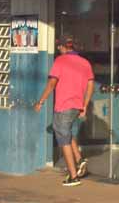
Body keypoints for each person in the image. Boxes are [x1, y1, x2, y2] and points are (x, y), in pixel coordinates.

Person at [34, 36, 94, 187]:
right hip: (76, 106)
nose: (58, 50)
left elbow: (52, 83)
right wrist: (85, 106)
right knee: (66, 131)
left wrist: (40, 101)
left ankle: (73, 176)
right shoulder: (85, 62)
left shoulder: (60, 61)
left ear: (63, 47)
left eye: (59, 48)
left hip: (64, 105)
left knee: (63, 139)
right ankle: (79, 160)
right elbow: (90, 85)